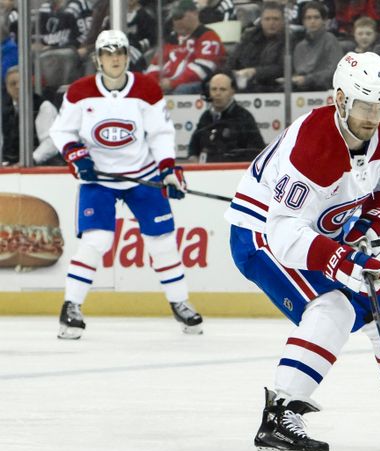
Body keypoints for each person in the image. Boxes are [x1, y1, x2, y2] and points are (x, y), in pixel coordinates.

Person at [225, 51, 380, 451]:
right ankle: (279, 418)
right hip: (261, 236)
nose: (374, 116)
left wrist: (373, 222)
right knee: (332, 308)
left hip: (320, 234)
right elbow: (285, 235)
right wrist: (340, 258)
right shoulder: (314, 146)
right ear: (340, 99)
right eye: (364, 105)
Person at [49, 30, 203, 339]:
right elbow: (61, 131)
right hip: (99, 178)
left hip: (141, 174)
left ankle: (180, 302)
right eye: (108, 53)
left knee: (162, 242)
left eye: (119, 52)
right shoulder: (80, 91)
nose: (115, 58)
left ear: (127, 56)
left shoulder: (146, 89)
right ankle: (71, 307)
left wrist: (168, 170)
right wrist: (77, 156)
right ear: (98, 58)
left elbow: (160, 134)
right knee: (96, 241)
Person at [145, 0, 225, 94]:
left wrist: (172, 83)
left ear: (195, 13)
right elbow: (155, 66)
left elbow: (203, 70)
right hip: (166, 85)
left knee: (182, 90)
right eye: (174, 18)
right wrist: (153, 84)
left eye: (180, 17)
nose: (176, 22)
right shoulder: (170, 40)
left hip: (193, 85)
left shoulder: (208, 36)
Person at [187, 72, 265, 163]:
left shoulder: (244, 117)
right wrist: (193, 158)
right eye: (214, 89)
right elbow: (193, 147)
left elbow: (257, 151)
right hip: (206, 173)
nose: (217, 93)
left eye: (222, 89)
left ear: (232, 91)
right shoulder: (206, 117)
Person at [2, 66, 60, 166]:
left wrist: (32, 160)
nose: (17, 87)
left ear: (29, 84)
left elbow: (51, 142)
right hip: (8, 166)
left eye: (21, 83)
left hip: (40, 166)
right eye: (12, 84)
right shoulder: (3, 109)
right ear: (7, 88)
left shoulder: (43, 106)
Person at [280, 1, 342, 91]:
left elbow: (334, 71)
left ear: (324, 20)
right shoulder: (300, 46)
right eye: (308, 18)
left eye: (316, 17)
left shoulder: (331, 40)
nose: (312, 21)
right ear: (303, 21)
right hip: (302, 90)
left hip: (325, 91)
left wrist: (307, 79)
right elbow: (299, 72)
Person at [226, 1, 286, 93]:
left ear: (283, 21)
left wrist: (254, 72)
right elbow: (233, 60)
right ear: (261, 20)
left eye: (276, 19)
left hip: (271, 85)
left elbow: (282, 68)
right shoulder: (249, 36)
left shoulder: (288, 39)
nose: (271, 23)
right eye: (267, 19)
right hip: (243, 82)